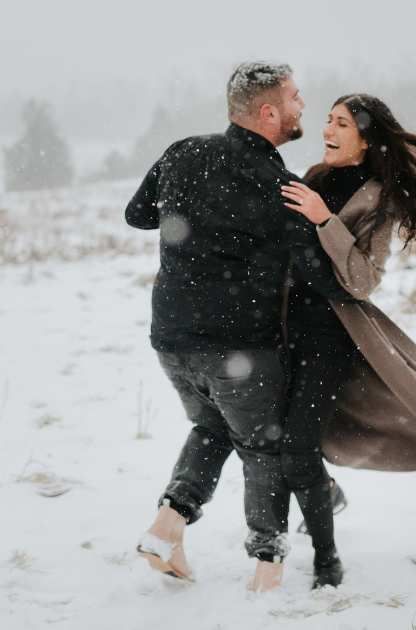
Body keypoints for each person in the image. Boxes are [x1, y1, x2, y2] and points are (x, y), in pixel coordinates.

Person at [127, 62, 352, 591]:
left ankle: (168, 524)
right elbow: (328, 281)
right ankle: (267, 572)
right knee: (263, 448)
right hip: (240, 351)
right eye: (296, 99)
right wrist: (322, 221)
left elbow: (138, 215)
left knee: (212, 428)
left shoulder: (183, 152)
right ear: (270, 112)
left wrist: (193, 216)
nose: (303, 107)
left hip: (172, 339)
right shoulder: (282, 189)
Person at [277, 94, 416, 588]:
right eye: (327, 121)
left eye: (341, 124)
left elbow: (361, 279)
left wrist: (322, 220)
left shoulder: (378, 198)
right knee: (275, 434)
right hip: (284, 326)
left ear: (366, 138)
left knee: (298, 439)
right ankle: (323, 492)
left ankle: (325, 561)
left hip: (332, 336)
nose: (328, 130)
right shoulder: (312, 177)